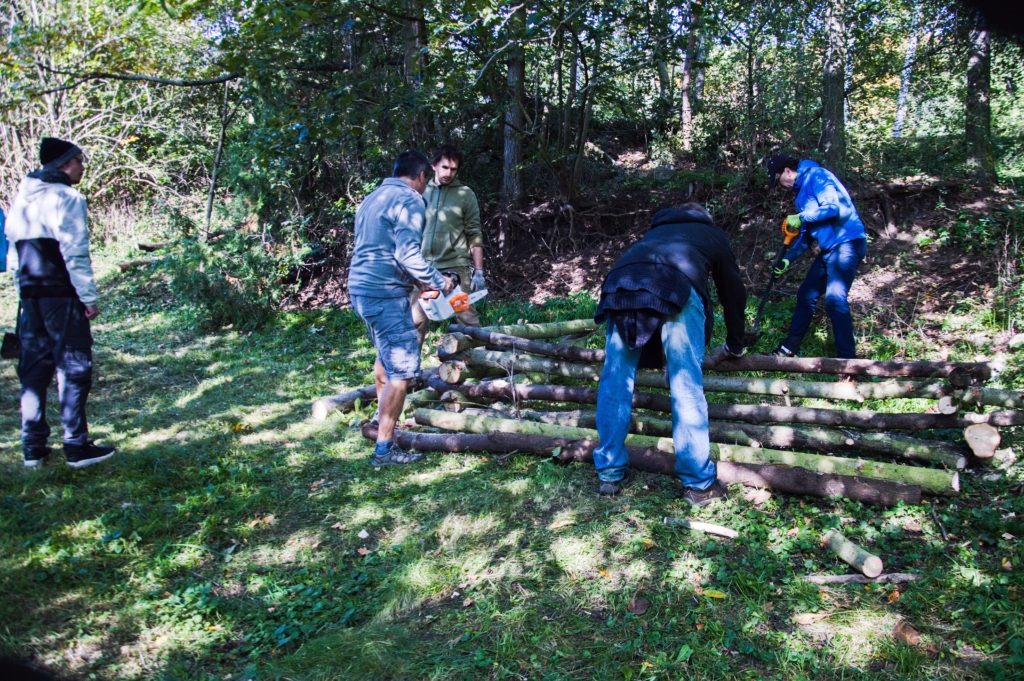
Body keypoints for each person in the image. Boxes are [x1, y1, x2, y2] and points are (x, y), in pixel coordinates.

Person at [592, 202, 747, 504]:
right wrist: (736, 343)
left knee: (614, 379)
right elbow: (733, 293)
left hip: (619, 288)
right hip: (675, 287)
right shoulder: (711, 234)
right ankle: (699, 484)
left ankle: (609, 472)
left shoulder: (652, 236)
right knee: (684, 382)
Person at [5, 137, 115, 468]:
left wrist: (22, 290)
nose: (83, 167)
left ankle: (33, 448)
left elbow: (14, 256)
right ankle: (76, 447)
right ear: (66, 163)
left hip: (31, 296)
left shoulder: (22, 199)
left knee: (34, 371)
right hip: (61, 296)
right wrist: (88, 298)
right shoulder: (67, 197)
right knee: (74, 366)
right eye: (80, 161)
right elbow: (74, 251)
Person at [348, 150, 455, 466]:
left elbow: (384, 250)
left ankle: (386, 433)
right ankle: (384, 449)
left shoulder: (374, 198)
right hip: (384, 294)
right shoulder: (410, 200)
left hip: (362, 289)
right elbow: (408, 253)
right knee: (404, 370)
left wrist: (419, 283)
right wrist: (437, 281)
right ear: (422, 176)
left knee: (385, 363)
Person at [765, 154, 867, 359]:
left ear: (787, 170)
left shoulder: (817, 176)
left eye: (778, 180)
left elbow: (832, 209)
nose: (781, 185)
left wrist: (801, 216)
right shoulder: (800, 195)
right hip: (830, 249)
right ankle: (789, 348)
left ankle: (848, 362)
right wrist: (788, 259)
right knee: (805, 295)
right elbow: (805, 236)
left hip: (847, 242)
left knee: (834, 299)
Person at [410, 144, 485, 343]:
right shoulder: (421, 190)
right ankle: (410, 371)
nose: (449, 173)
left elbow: (474, 232)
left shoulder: (465, 194)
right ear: (434, 166)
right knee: (415, 321)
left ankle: (479, 365)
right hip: (423, 269)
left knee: (466, 318)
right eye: (445, 167)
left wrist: (479, 271)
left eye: (453, 169)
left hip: (455, 270)